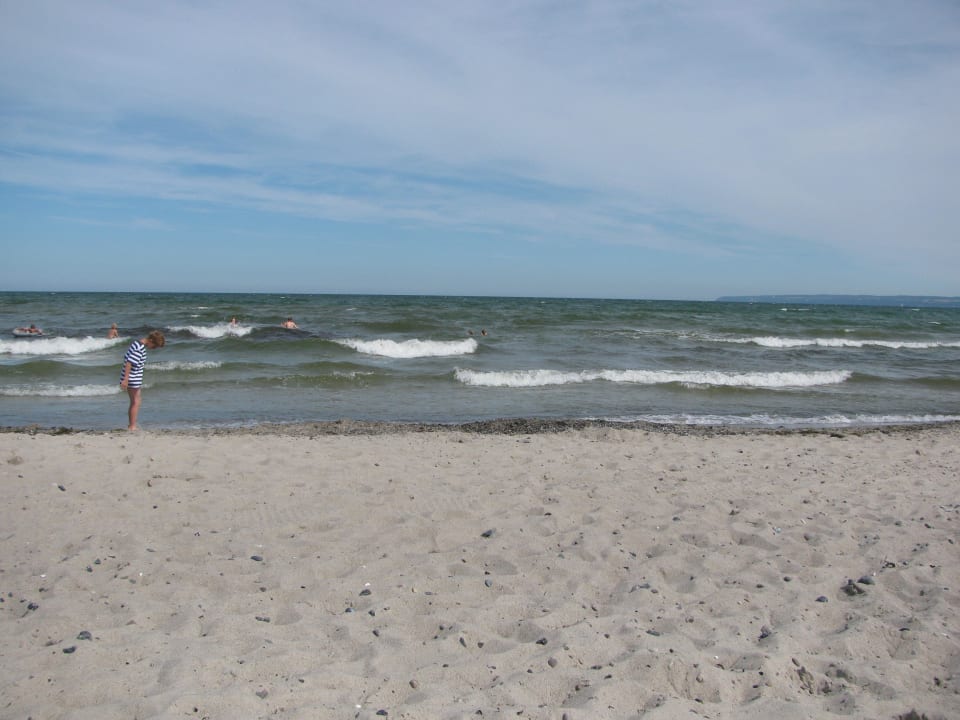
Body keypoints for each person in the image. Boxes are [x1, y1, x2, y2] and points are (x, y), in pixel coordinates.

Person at [119, 330, 165, 431]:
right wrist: (126, 379)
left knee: (136, 401)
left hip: (132, 377)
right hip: (132, 377)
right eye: (155, 346)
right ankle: (132, 426)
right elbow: (129, 363)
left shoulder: (136, 343)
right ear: (151, 340)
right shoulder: (140, 349)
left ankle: (132, 424)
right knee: (136, 401)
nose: (154, 348)